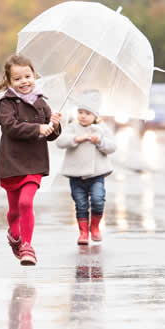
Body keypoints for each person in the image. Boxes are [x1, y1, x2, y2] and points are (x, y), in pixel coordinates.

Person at [0, 54, 62, 266]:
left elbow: (51, 135)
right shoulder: (6, 103)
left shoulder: (41, 103)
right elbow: (10, 127)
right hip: (11, 162)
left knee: (25, 202)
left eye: (27, 76)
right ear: (9, 81)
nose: (24, 82)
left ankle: (27, 246)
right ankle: (14, 236)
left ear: (34, 76)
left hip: (34, 162)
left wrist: (54, 124)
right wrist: (38, 128)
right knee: (14, 209)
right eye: (18, 78)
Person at [56, 90, 117, 245]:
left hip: (97, 173)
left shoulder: (101, 128)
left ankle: (95, 227)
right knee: (80, 203)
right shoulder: (73, 127)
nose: (83, 116)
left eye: (87, 113)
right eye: (80, 112)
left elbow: (112, 146)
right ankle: (83, 232)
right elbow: (60, 142)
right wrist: (75, 139)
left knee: (98, 200)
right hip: (76, 174)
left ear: (95, 116)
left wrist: (100, 142)